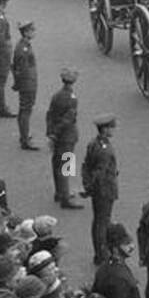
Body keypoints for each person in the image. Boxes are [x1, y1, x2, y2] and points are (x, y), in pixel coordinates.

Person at [81, 114, 120, 264]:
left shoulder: (93, 143)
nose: (113, 130)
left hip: (97, 189)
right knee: (102, 223)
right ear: (104, 129)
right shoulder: (105, 149)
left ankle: (99, 252)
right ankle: (102, 254)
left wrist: (86, 185)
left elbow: (86, 166)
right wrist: (90, 188)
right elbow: (100, 172)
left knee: (98, 221)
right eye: (111, 127)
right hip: (104, 189)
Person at [45, 68, 82, 208]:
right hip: (67, 137)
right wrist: (56, 133)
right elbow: (68, 119)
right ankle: (66, 197)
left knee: (56, 163)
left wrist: (51, 133)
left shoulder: (56, 96)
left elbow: (49, 115)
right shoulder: (72, 99)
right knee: (66, 166)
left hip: (58, 136)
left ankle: (59, 192)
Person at [11, 21, 39, 150]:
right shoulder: (23, 49)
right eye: (32, 30)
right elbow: (20, 70)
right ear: (26, 32)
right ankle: (25, 140)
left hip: (28, 82)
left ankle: (24, 135)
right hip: (27, 84)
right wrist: (21, 84)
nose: (34, 31)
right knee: (25, 111)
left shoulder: (24, 45)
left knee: (25, 110)